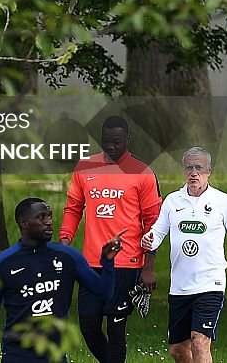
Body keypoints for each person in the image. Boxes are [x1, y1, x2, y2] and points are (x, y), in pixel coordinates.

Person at [141, 147, 227, 363]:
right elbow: (157, 232)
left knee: (199, 341)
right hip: (179, 287)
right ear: (183, 171)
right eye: (189, 168)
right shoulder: (172, 201)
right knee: (178, 350)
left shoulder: (223, 202)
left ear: (209, 171)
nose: (194, 173)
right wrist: (149, 239)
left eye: (199, 168)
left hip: (210, 284)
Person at [58, 114, 162, 363]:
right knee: (89, 326)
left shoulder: (142, 173)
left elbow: (154, 224)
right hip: (90, 263)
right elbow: (74, 208)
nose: (111, 146)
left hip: (126, 264)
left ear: (127, 138)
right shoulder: (85, 167)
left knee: (116, 328)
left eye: (117, 141)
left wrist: (148, 267)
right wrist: (64, 242)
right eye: (106, 141)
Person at [0, 198, 126, 363]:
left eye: (49, 216)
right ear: (24, 223)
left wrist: (107, 261)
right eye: (41, 217)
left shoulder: (68, 257)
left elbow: (103, 292)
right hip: (16, 356)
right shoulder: (1, 264)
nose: (49, 222)